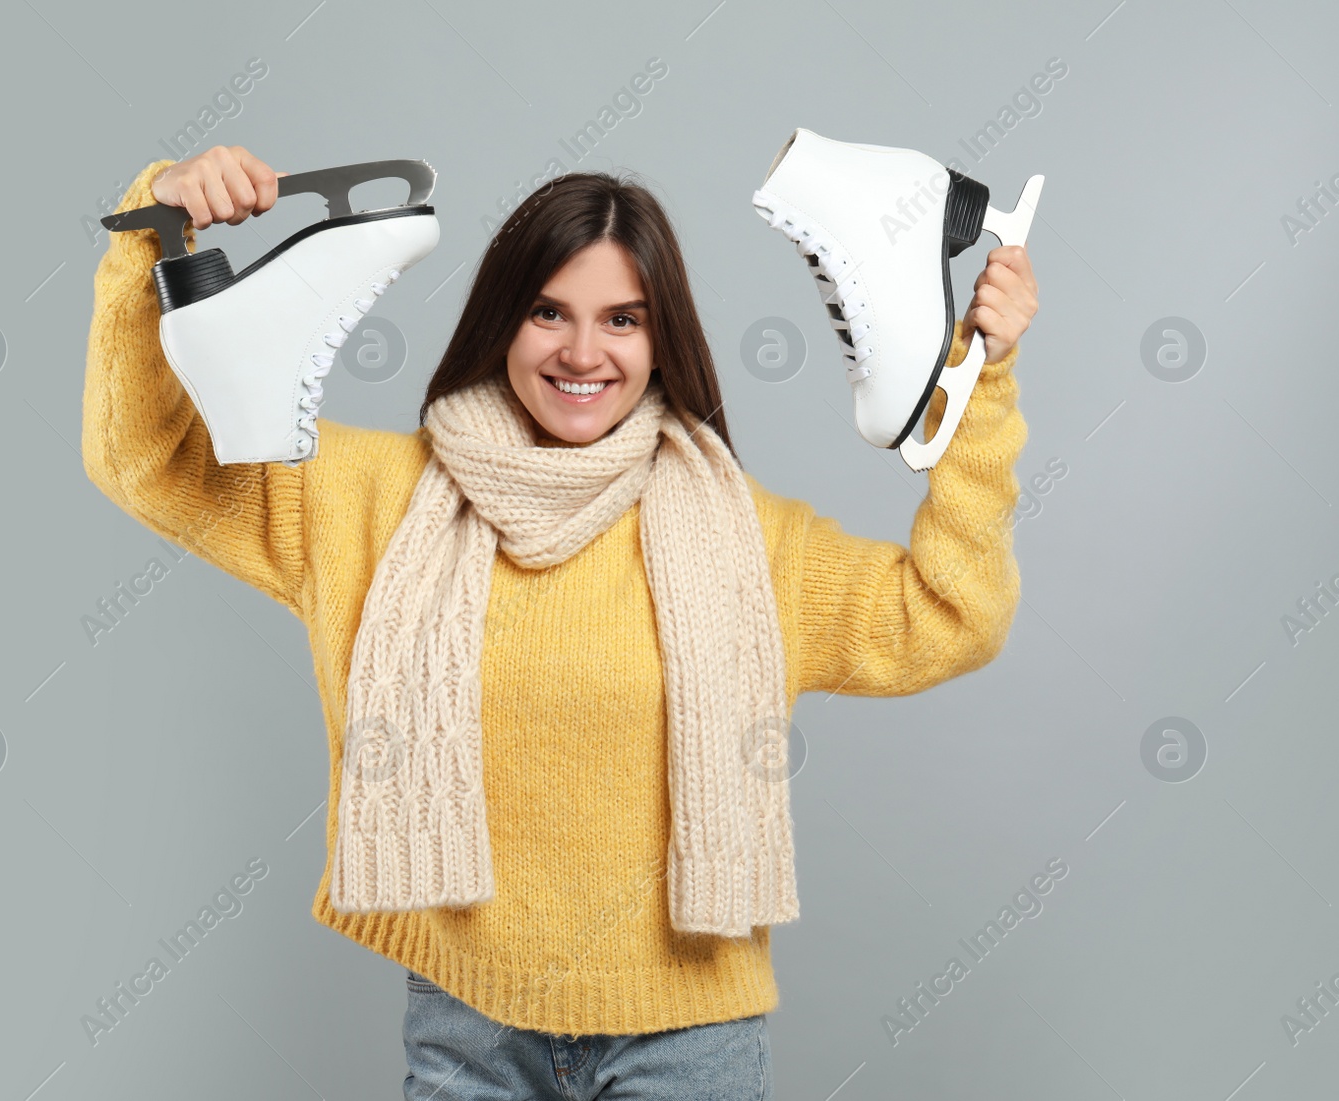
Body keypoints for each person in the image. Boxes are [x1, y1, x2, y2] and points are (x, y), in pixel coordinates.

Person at [82, 144, 1037, 1099]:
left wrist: (979, 384)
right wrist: (157, 229)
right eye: (550, 312)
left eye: (623, 319)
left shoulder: (751, 545)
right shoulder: (368, 504)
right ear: (503, 320)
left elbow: (952, 614)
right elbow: (142, 460)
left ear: (663, 340)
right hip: (469, 1030)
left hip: (689, 1041)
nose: (584, 353)